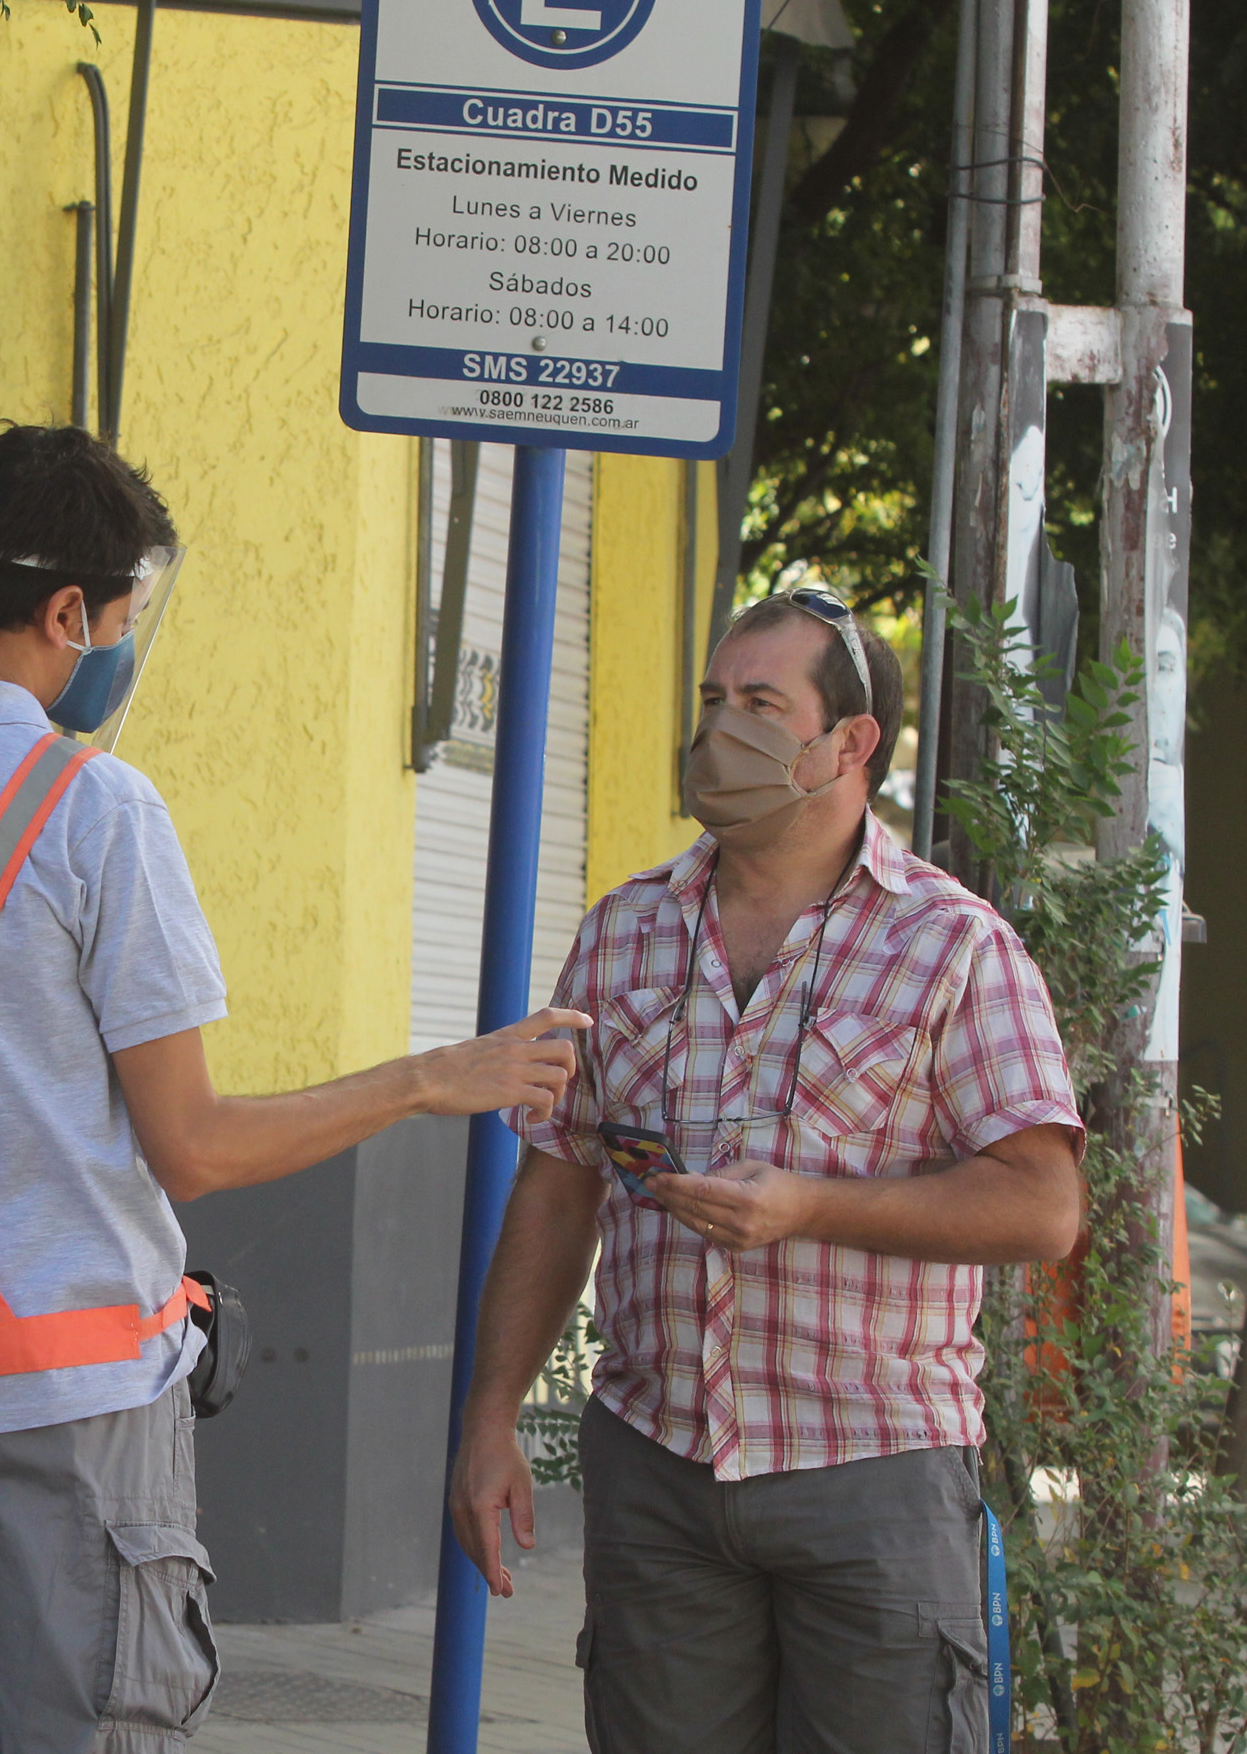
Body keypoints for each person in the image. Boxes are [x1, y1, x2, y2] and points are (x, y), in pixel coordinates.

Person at [0, 422, 587, 1754]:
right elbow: (196, 1146)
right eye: (121, 617)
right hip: (74, 1409)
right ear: (68, 612)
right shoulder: (91, 812)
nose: (120, 645)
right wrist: (429, 1078)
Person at [449, 591, 1085, 1753]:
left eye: (756, 704)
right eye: (709, 700)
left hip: (872, 1475)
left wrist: (808, 1205)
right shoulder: (623, 930)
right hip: (659, 1470)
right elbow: (557, 1180)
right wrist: (489, 1414)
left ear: (847, 743)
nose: (716, 730)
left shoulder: (951, 944)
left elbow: (1042, 1204)